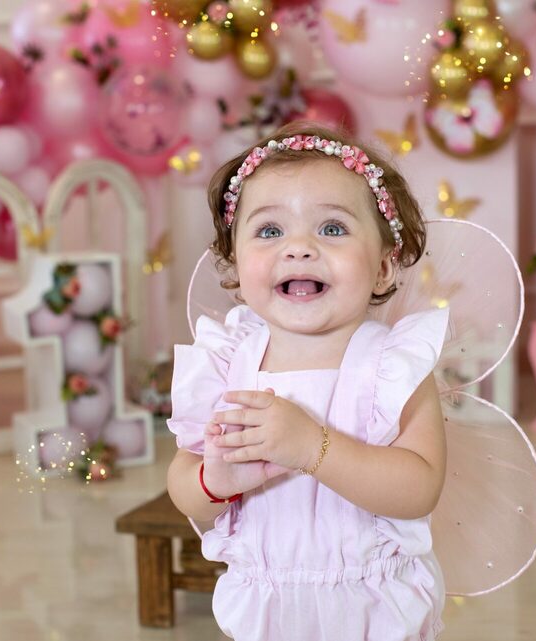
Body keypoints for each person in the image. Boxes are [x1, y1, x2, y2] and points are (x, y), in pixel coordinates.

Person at [166, 122, 450, 640]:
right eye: (269, 231)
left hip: (371, 607)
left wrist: (312, 447)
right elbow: (183, 483)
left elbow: (420, 488)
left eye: (332, 228)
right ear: (235, 265)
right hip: (267, 606)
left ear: (384, 267)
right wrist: (213, 483)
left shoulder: (390, 366)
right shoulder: (228, 363)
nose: (298, 248)